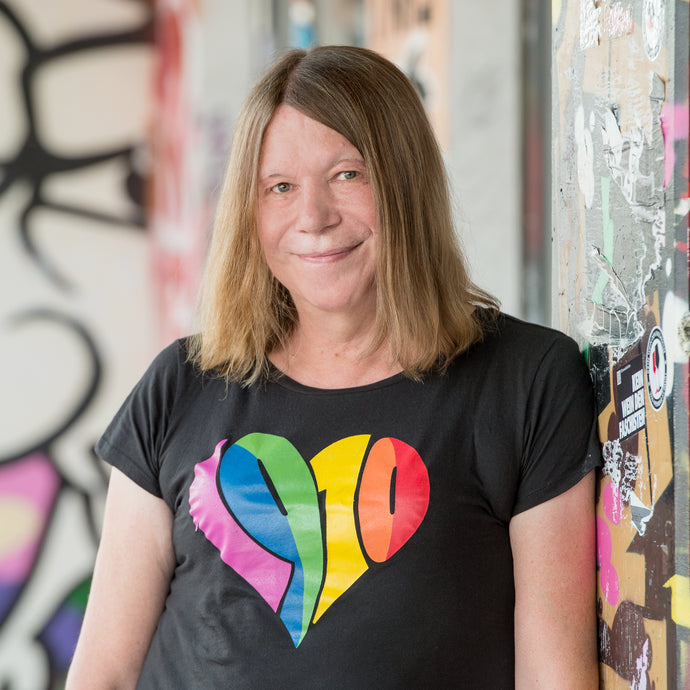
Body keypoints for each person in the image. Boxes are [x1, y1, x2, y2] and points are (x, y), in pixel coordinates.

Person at [67, 45, 600, 688]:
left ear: (405, 182)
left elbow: (554, 677)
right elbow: (103, 675)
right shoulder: (180, 386)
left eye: (347, 174)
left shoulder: (526, 381)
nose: (313, 218)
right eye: (280, 187)